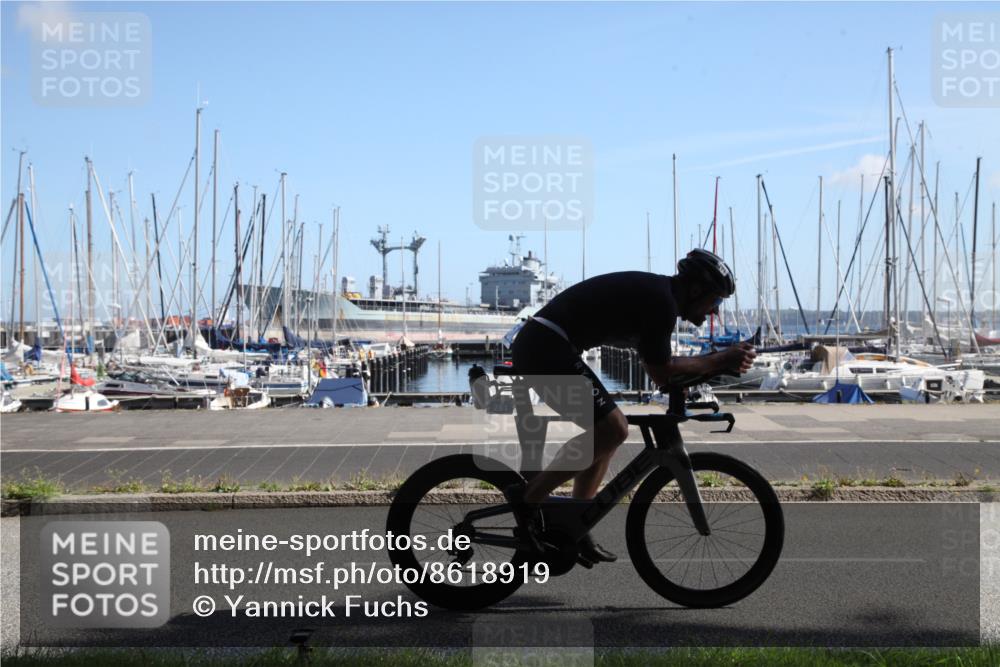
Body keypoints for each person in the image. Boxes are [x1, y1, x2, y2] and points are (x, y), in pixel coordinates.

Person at [507, 248, 756, 566]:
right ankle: (528, 498)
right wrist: (721, 359)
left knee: (607, 433)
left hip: (548, 344)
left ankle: (575, 525)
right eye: (716, 301)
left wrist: (722, 367)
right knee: (613, 428)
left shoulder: (660, 299)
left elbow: (664, 378)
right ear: (696, 290)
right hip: (546, 345)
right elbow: (663, 372)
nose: (715, 312)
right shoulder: (661, 303)